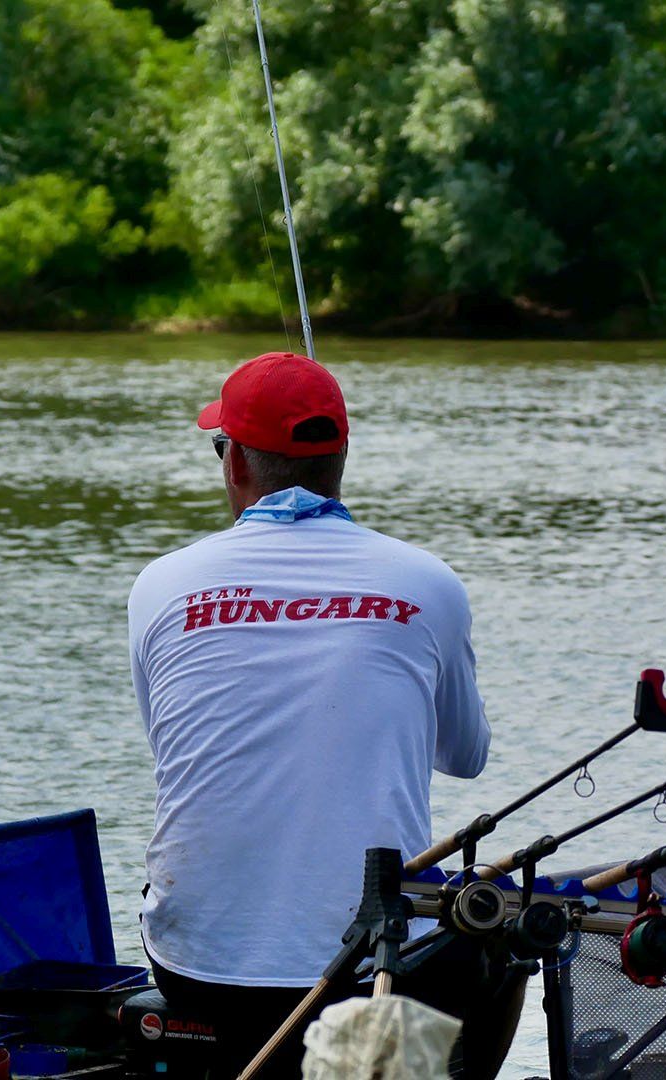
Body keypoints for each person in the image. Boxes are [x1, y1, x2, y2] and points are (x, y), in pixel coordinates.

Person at [127, 351, 496, 1076]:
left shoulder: (160, 585)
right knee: (485, 937)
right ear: (342, 458)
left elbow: (169, 746)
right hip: (368, 966)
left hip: (196, 961)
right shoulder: (427, 582)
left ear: (234, 464)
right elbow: (465, 755)